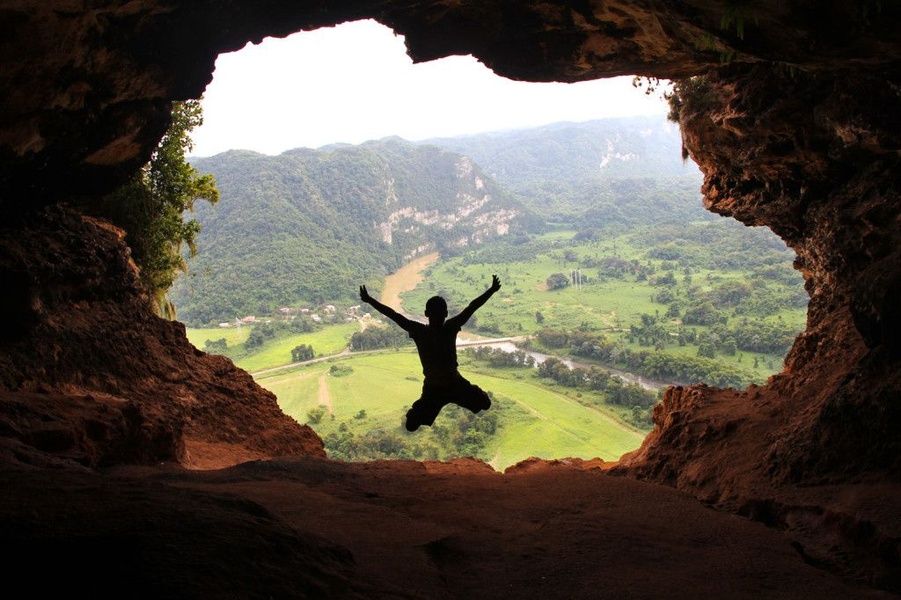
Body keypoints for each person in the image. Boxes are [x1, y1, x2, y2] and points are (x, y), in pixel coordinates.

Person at [359, 275, 501, 431]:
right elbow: (471, 307)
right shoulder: (450, 327)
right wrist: (491, 290)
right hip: (452, 383)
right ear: (446, 313)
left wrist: (370, 300)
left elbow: (393, 315)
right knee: (485, 403)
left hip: (436, 387)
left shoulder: (419, 331)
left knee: (412, 424)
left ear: (426, 313)